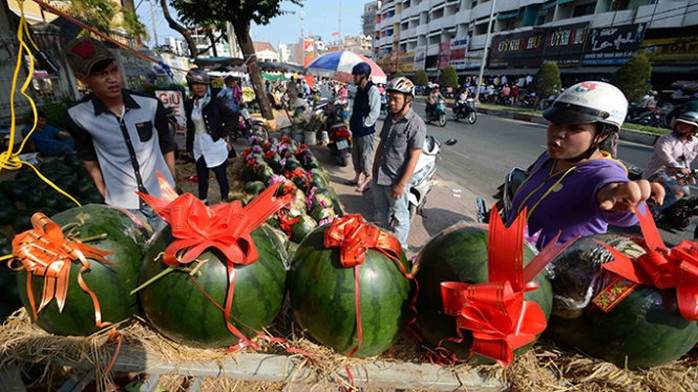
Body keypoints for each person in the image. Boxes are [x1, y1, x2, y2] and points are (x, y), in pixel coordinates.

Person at [506, 81, 664, 250]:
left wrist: (624, 198)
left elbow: (614, 195)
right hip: (506, 257)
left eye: (575, 128)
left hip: (546, 273)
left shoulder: (603, 172)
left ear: (603, 135)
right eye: (557, 123)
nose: (558, 133)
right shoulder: (550, 158)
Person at [64, 37, 176, 227]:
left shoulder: (150, 105)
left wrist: (171, 182)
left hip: (163, 197)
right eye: (101, 74)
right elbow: (88, 156)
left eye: (114, 70)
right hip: (124, 206)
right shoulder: (78, 116)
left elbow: (166, 144)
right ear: (82, 78)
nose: (112, 79)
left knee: (171, 249)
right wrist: (104, 192)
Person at [372, 77, 426, 248]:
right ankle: (380, 245)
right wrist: (374, 169)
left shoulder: (415, 124)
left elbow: (414, 156)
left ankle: (397, 251)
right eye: (389, 98)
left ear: (408, 98)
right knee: (380, 216)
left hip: (396, 182)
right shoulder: (389, 118)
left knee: (400, 219)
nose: (391, 102)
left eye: (396, 99)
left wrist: (401, 184)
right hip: (380, 177)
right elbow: (381, 144)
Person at [184, 69, 238, 205]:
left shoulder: (215, 102)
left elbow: (232, 117)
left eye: (202, 84)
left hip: (214, 145)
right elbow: (190, 127)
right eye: (196, 84)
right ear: (191, 86)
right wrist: (189, 147)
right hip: (198, 145)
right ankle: (203, 201)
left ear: (207, 86)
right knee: (202, 176)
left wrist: (223, 133)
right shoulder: (189, 104)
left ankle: (224, 200)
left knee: (220, 175)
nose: (199, 87)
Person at [642, 111, 698, 214]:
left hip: (679, 175)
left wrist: (683, 170)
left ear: (692, 129)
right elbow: (665, 156)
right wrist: (678, 167)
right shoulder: (666, 139)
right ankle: (653, 213)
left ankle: (670, 214)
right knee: (679, 193)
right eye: (681, 124)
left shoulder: (694, 142)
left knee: (687, 195)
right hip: (659, 172)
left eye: (687, 125)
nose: (682, 126)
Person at [345, 62, 381, 192]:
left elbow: (375, 111)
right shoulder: (359, 90)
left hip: (366, 131)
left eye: (356, 75)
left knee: (366, 156)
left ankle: (368, 179)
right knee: (356, 155)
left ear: (364, 75)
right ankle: (357, 177)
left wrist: (365, 124)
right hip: (356, 129)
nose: (353, 77)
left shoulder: (372, 90)